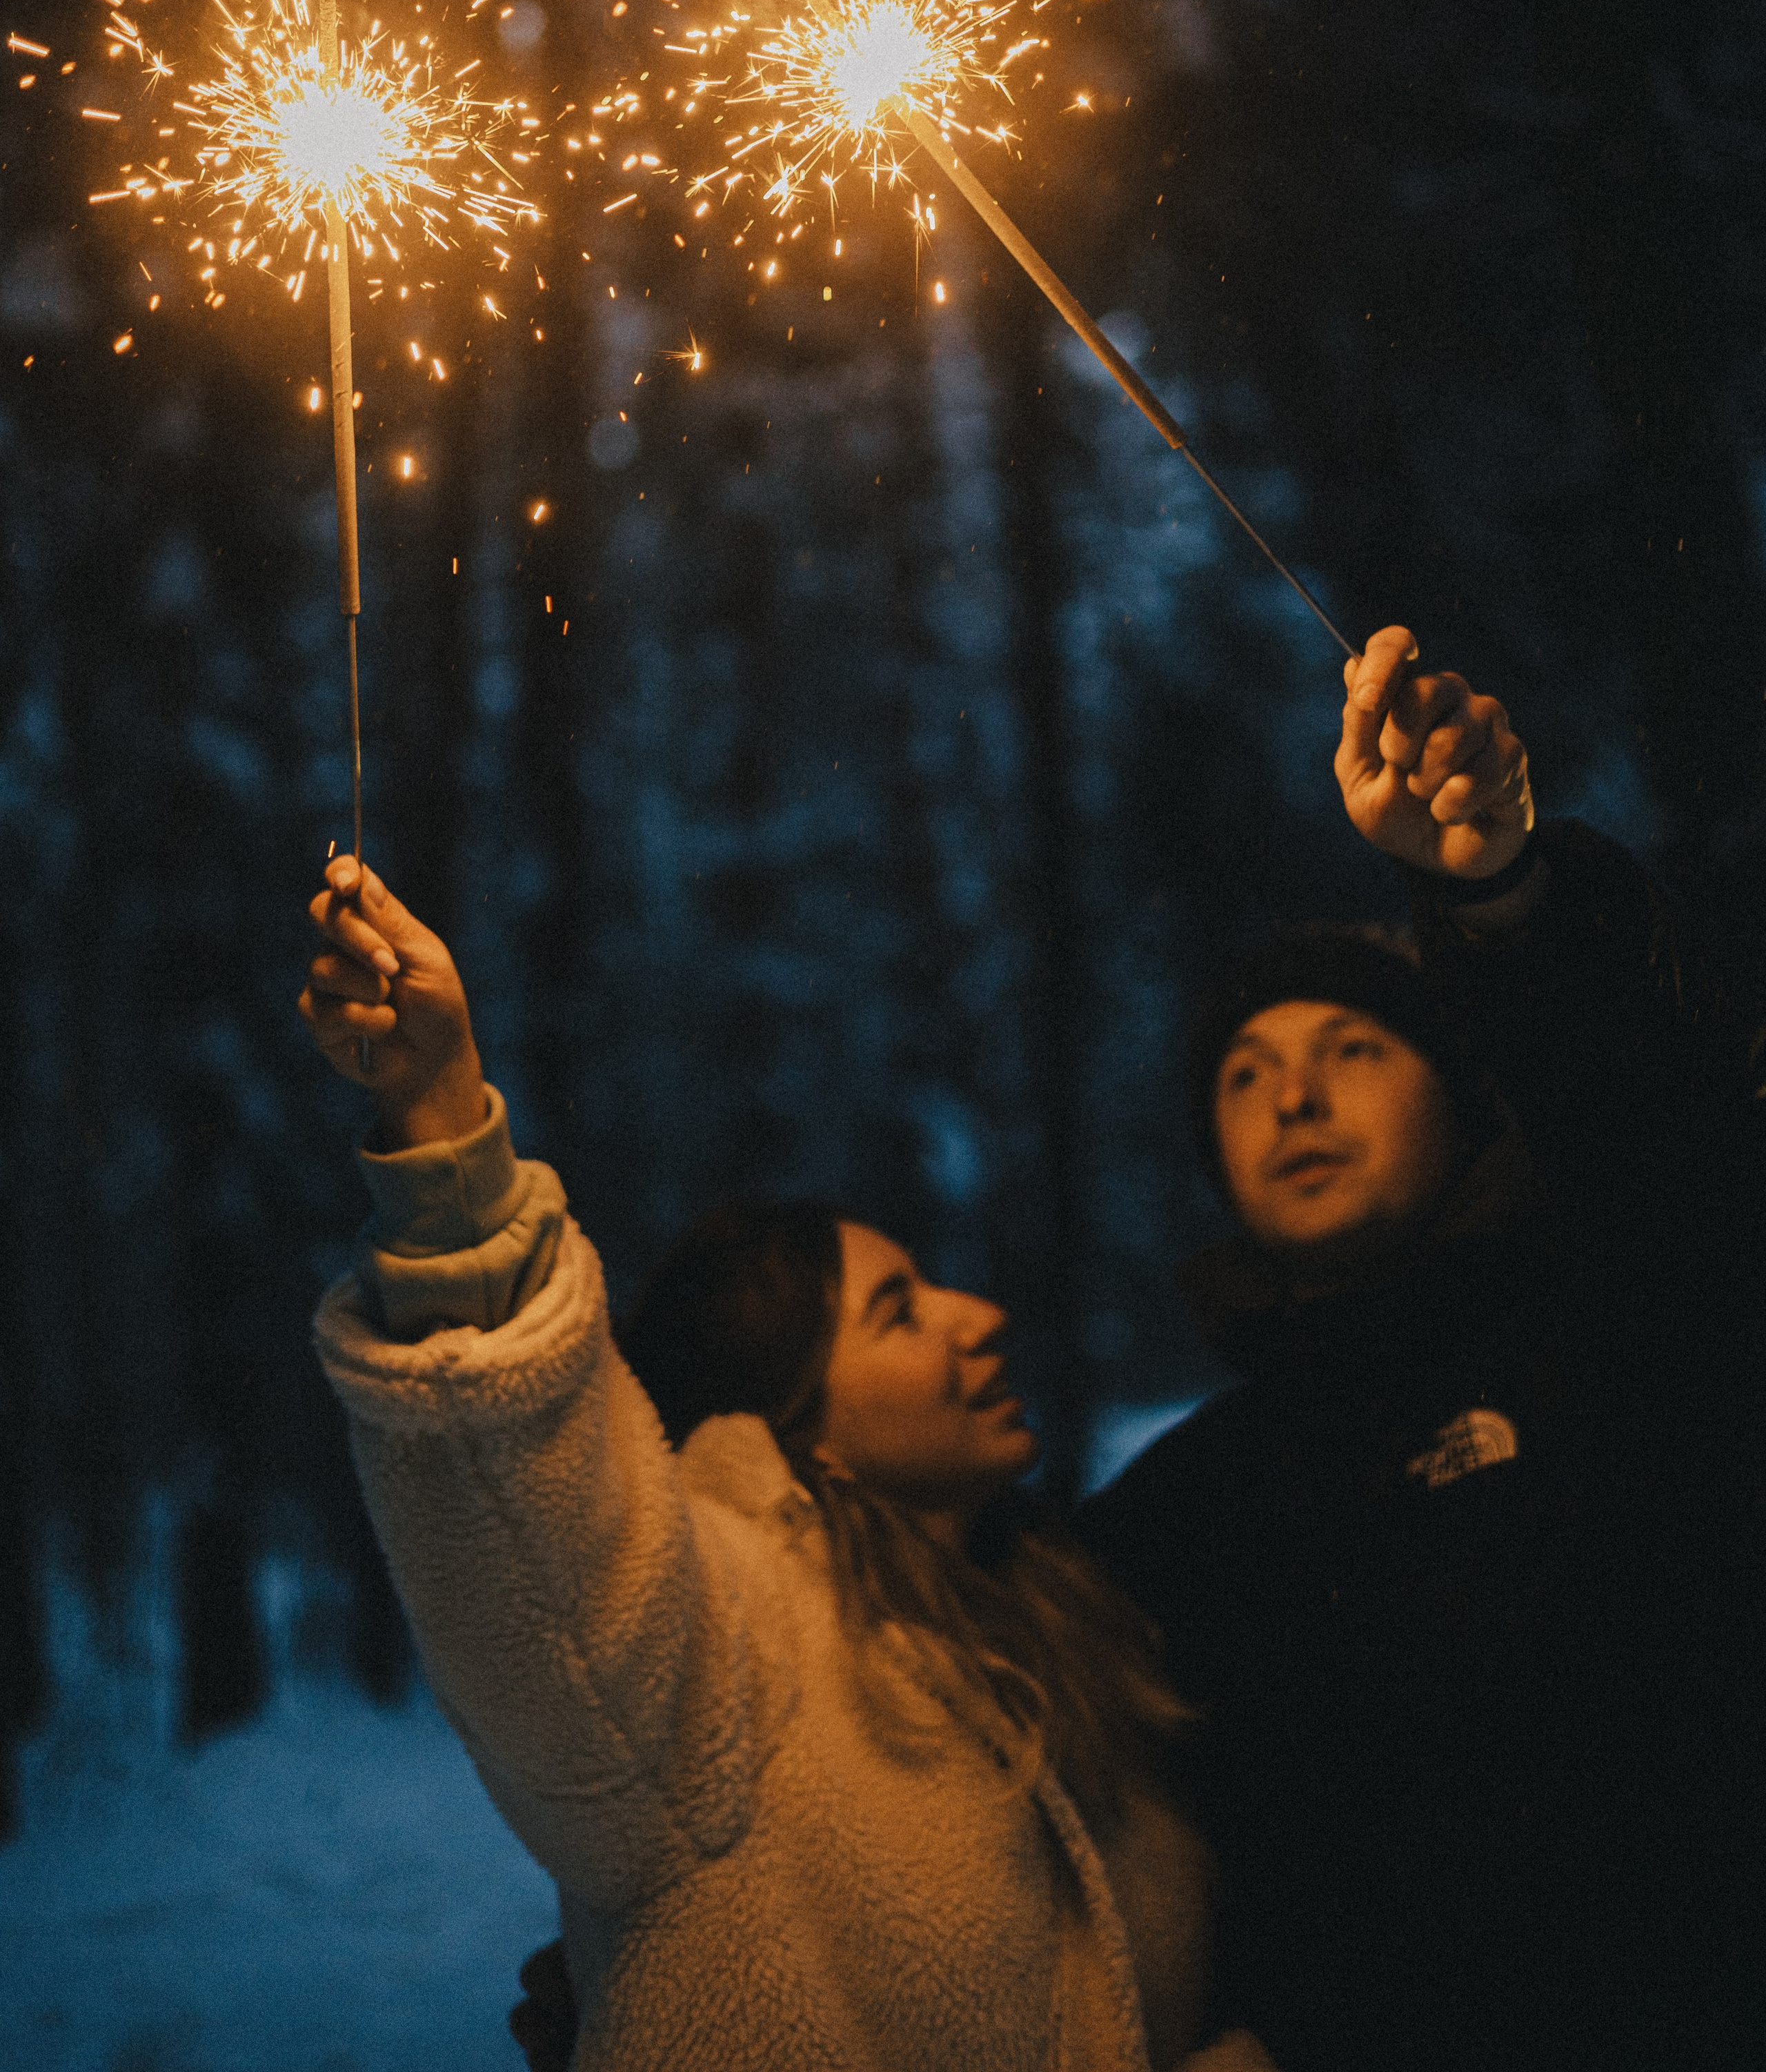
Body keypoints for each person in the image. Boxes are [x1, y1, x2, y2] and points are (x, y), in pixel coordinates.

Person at [299, 861, 1276, 2072]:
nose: (980, 1315)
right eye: (903, 1313)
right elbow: (531, 1508)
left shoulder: (1064, 1618)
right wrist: (443, 1123)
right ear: (794, 1424)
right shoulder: (718, 1653)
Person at [1076, 625, 1763, 2072]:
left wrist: (1496, 894)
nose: (1292, 1099)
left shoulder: (1620, 1320)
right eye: (1245, 1075)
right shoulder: (1193, 1507)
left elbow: (1647, 1124)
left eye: (1351, 1051)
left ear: (1459, 1103)